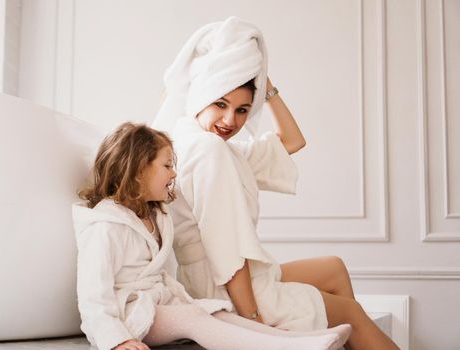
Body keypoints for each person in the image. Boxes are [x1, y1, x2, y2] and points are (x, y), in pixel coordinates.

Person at [153, 17, 399, 350]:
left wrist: (265, 85)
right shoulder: (208, 150)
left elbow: (293, 141)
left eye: (242, 110)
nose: (230, 121)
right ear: (200, 97)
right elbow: (227, 249)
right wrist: (252, 321)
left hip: (221, 277)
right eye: (220, 105)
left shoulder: (203, 144)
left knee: (334, 269)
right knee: (351, 312)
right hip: (221, 287)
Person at [72, 122, 351, 350]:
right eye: (167, 166)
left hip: (161, 304)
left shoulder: (155, 215)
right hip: (131, 314)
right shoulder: (105, 226)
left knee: (217, 312)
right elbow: (92, 296)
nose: (174, 173)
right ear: (138, 170)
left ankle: (300, 340)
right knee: (193, 317)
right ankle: (290, 348)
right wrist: (117, 340)